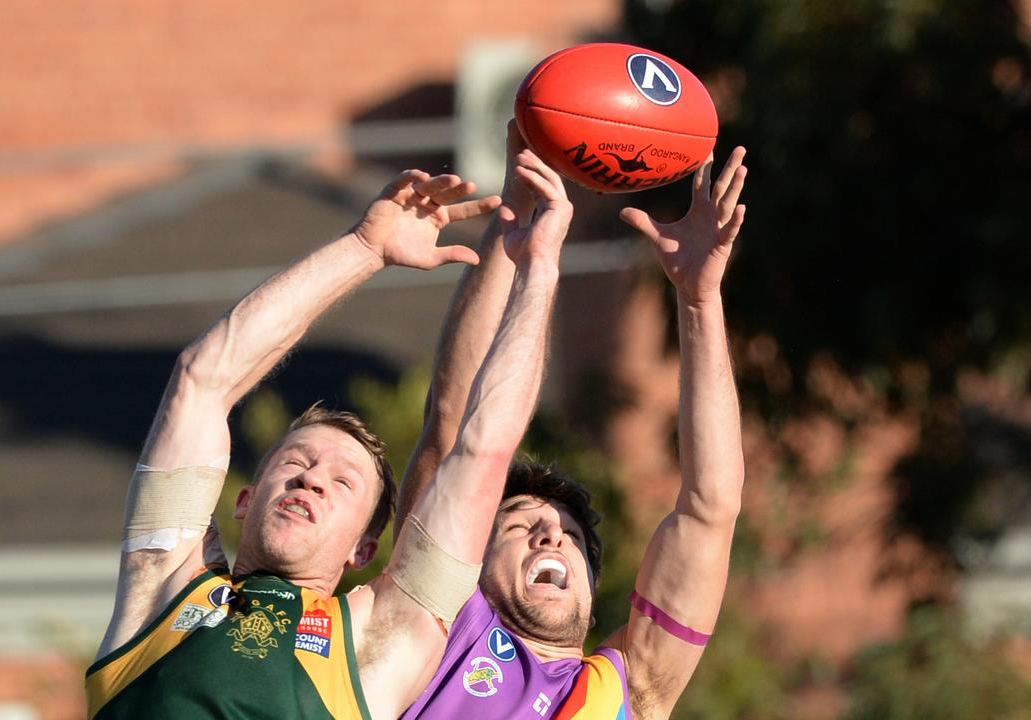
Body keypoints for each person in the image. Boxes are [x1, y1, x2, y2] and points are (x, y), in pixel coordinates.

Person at [85, 153, 575, 720]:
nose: (313, 478)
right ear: (245, 500)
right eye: (295, 462)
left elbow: (481, 447)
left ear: (364, 551)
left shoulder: (377, 641)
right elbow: (202, 379)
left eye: (344, 481)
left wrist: (540, 271)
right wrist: (363, 250)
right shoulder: (165, 587)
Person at [398, 126, 749, 719]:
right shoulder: (431, 633)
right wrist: (517, 228)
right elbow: (454, 430)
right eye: (516, 527)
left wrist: (699, 300)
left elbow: (709, 507)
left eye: (573, 538)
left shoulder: (630, 692)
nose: (552, 535)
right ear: (468, 560)